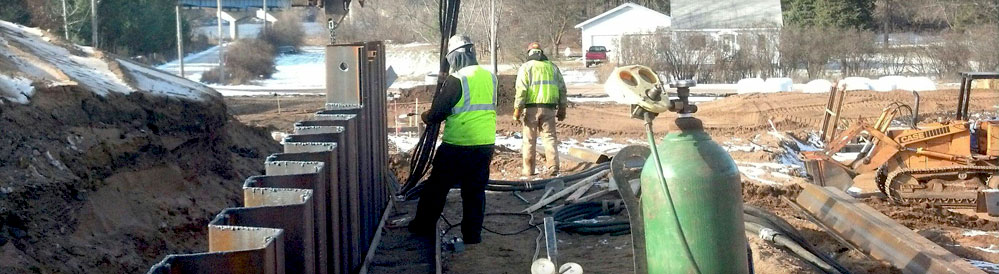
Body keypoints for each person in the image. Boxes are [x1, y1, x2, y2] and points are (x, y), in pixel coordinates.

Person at [408, 34, 497, 244]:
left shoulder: (457, 79)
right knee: (475, 192)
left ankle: (422, 225)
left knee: (436, 188)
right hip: (485, 144)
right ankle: (473, 235)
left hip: (458, 144)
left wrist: (425, 116)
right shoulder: (490, 76)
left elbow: (439, 112)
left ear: (454, 57)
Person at [513, 42, 568, 177]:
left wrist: (517, 110)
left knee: (529, 140)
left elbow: (521, 90)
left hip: (531, 109)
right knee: (549, 137)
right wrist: (562, 109)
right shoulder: (553, 68)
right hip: (549, 108)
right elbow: (562, 89)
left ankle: (528, 170)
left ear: (529, 53)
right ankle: (553, 166)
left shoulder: (526, 68)